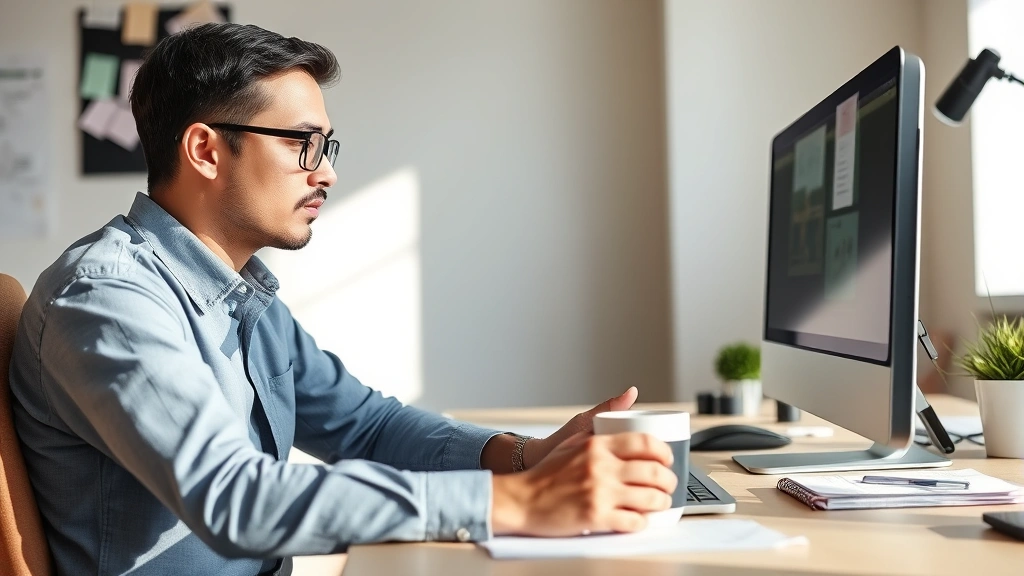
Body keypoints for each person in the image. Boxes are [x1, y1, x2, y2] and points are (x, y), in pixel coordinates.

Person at [8, 23, 676, 575]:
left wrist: (527, 456)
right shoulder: (108, 300)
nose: (325, 170)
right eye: (301, 144)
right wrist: (518, 502)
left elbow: (367, 427)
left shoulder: (244, 300)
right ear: (206, 150)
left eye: (324, 145)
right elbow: (237, 499)